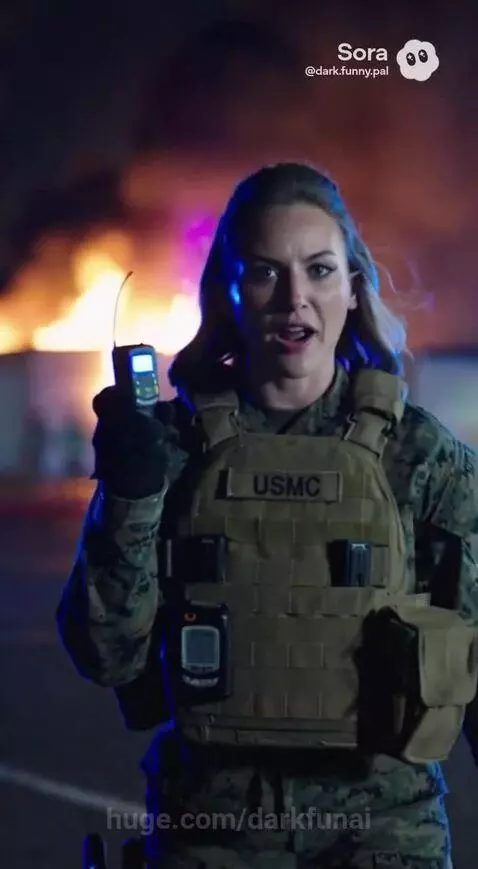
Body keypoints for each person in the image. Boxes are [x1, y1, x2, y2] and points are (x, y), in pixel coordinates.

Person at [56, 163, 478, 869]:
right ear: (227, 290)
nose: (294, 300)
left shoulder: (421, 455)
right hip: (213, 826)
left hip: (380, 832)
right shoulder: (168, 448)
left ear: (352, 285)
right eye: (264, 272)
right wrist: (129, 494)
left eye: (318, 270)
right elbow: (107, 654)